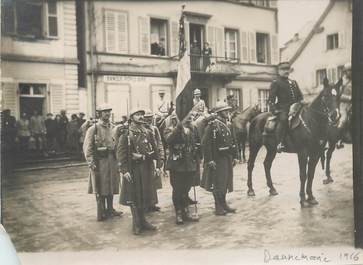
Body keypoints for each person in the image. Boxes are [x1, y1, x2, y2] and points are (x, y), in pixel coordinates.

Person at [117, 108, 162, 235]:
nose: (141, 117)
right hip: (134, 170)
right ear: (131, 117)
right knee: (134, 197)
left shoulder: (148, 131)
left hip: (146, 168)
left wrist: (159, 165)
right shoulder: (126, 134)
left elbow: (156, 149)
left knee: (145, 195)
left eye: (142, 114)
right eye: (137, 115)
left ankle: (144, 221)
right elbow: (121, 154)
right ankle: (136, 223)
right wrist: (124, 170)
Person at [83, 103, 122, 221]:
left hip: (112, 160)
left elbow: (118, 144)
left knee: (111, 185)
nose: (107, 114)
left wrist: (119, 160)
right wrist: (91, 162)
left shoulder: (113, 127)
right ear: (99, 114)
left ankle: (110, 209)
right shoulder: (93, 129)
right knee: (101, 187)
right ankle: (102, 210)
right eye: (105, 112)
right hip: (100, 162)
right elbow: (87, 147)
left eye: (109, 111)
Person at [201, 101, 238, 216]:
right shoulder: (212, 126)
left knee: (225, 182)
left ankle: (224, 204)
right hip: (217, 158)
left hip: (227, 157)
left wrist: (235, 156)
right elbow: (205, 144)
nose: (227, 113)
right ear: (219, 113)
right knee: (218, 183)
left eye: (227, 111)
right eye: (225, 111)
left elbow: (233, 141)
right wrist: (209, 159)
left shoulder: (228, 124)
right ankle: (218, 207)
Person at [164, 112, 201, 224]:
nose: (190, 118)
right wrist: (179, 127)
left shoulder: (193, 128)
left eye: (191, 116)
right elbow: (169, 140)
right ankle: (178, 213)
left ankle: (186, 211)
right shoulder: (170, 129)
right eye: (187, 116)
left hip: (189, 164)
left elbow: (197, 143)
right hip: (177, 165)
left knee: (186, 189)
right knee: (177, 190)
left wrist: (198, 156)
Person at [268, 61, 304, 153]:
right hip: (282, 108)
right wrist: (275, 111)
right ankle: (279, 143)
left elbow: (300, 96)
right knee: (283, 120)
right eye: (283, 69)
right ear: (278, 71)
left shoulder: (294, 82)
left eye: (287, 69)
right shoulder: (276, 82)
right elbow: (271, 100)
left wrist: (300, 102)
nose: (286, 71)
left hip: (296, 108)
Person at [144, 110, 164, 212]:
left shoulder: (154, 129)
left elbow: (159, 142)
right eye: (146, 118)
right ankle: (146, 204)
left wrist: (161, 157)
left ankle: (152, 203)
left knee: (153, 182)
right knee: (145, 182)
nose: (148, 120)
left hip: (154, 157)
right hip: (145, 158)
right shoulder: (142, 129)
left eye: (150, 118)